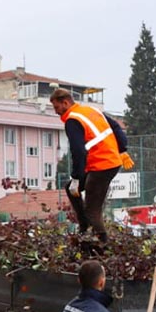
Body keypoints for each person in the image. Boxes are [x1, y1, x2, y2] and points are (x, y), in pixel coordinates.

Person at [50, 88, 135, 245]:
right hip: (109, 162)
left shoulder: (72, 120)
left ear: (65, 102)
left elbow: (78, 151)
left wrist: (76, 177)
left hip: (102, 165)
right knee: (71, 188)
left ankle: (102, 244)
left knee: (92, 209)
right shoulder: (89, 110)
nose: (56, 112)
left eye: (56, 107)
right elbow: (115, 126)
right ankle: (84, 227)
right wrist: (122, 149)